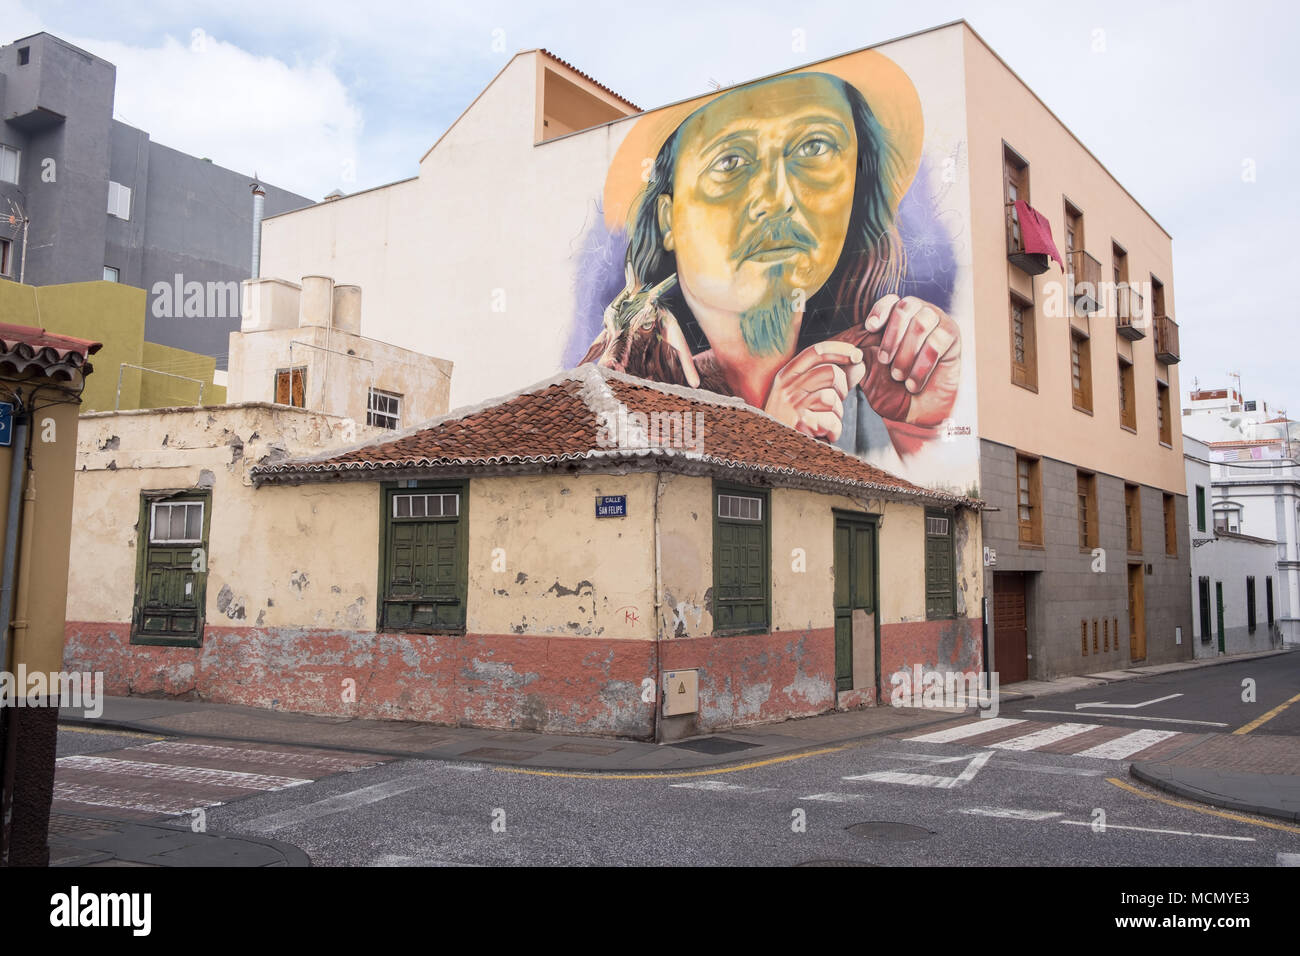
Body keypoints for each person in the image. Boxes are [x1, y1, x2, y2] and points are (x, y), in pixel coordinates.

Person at [584, 67, 960, 459]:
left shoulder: (861, 379)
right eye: (730, 161)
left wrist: (921, 423)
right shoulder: (634, 393)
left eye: (814, 147)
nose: (778, 198)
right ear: (668, 220)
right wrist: (775, 441)